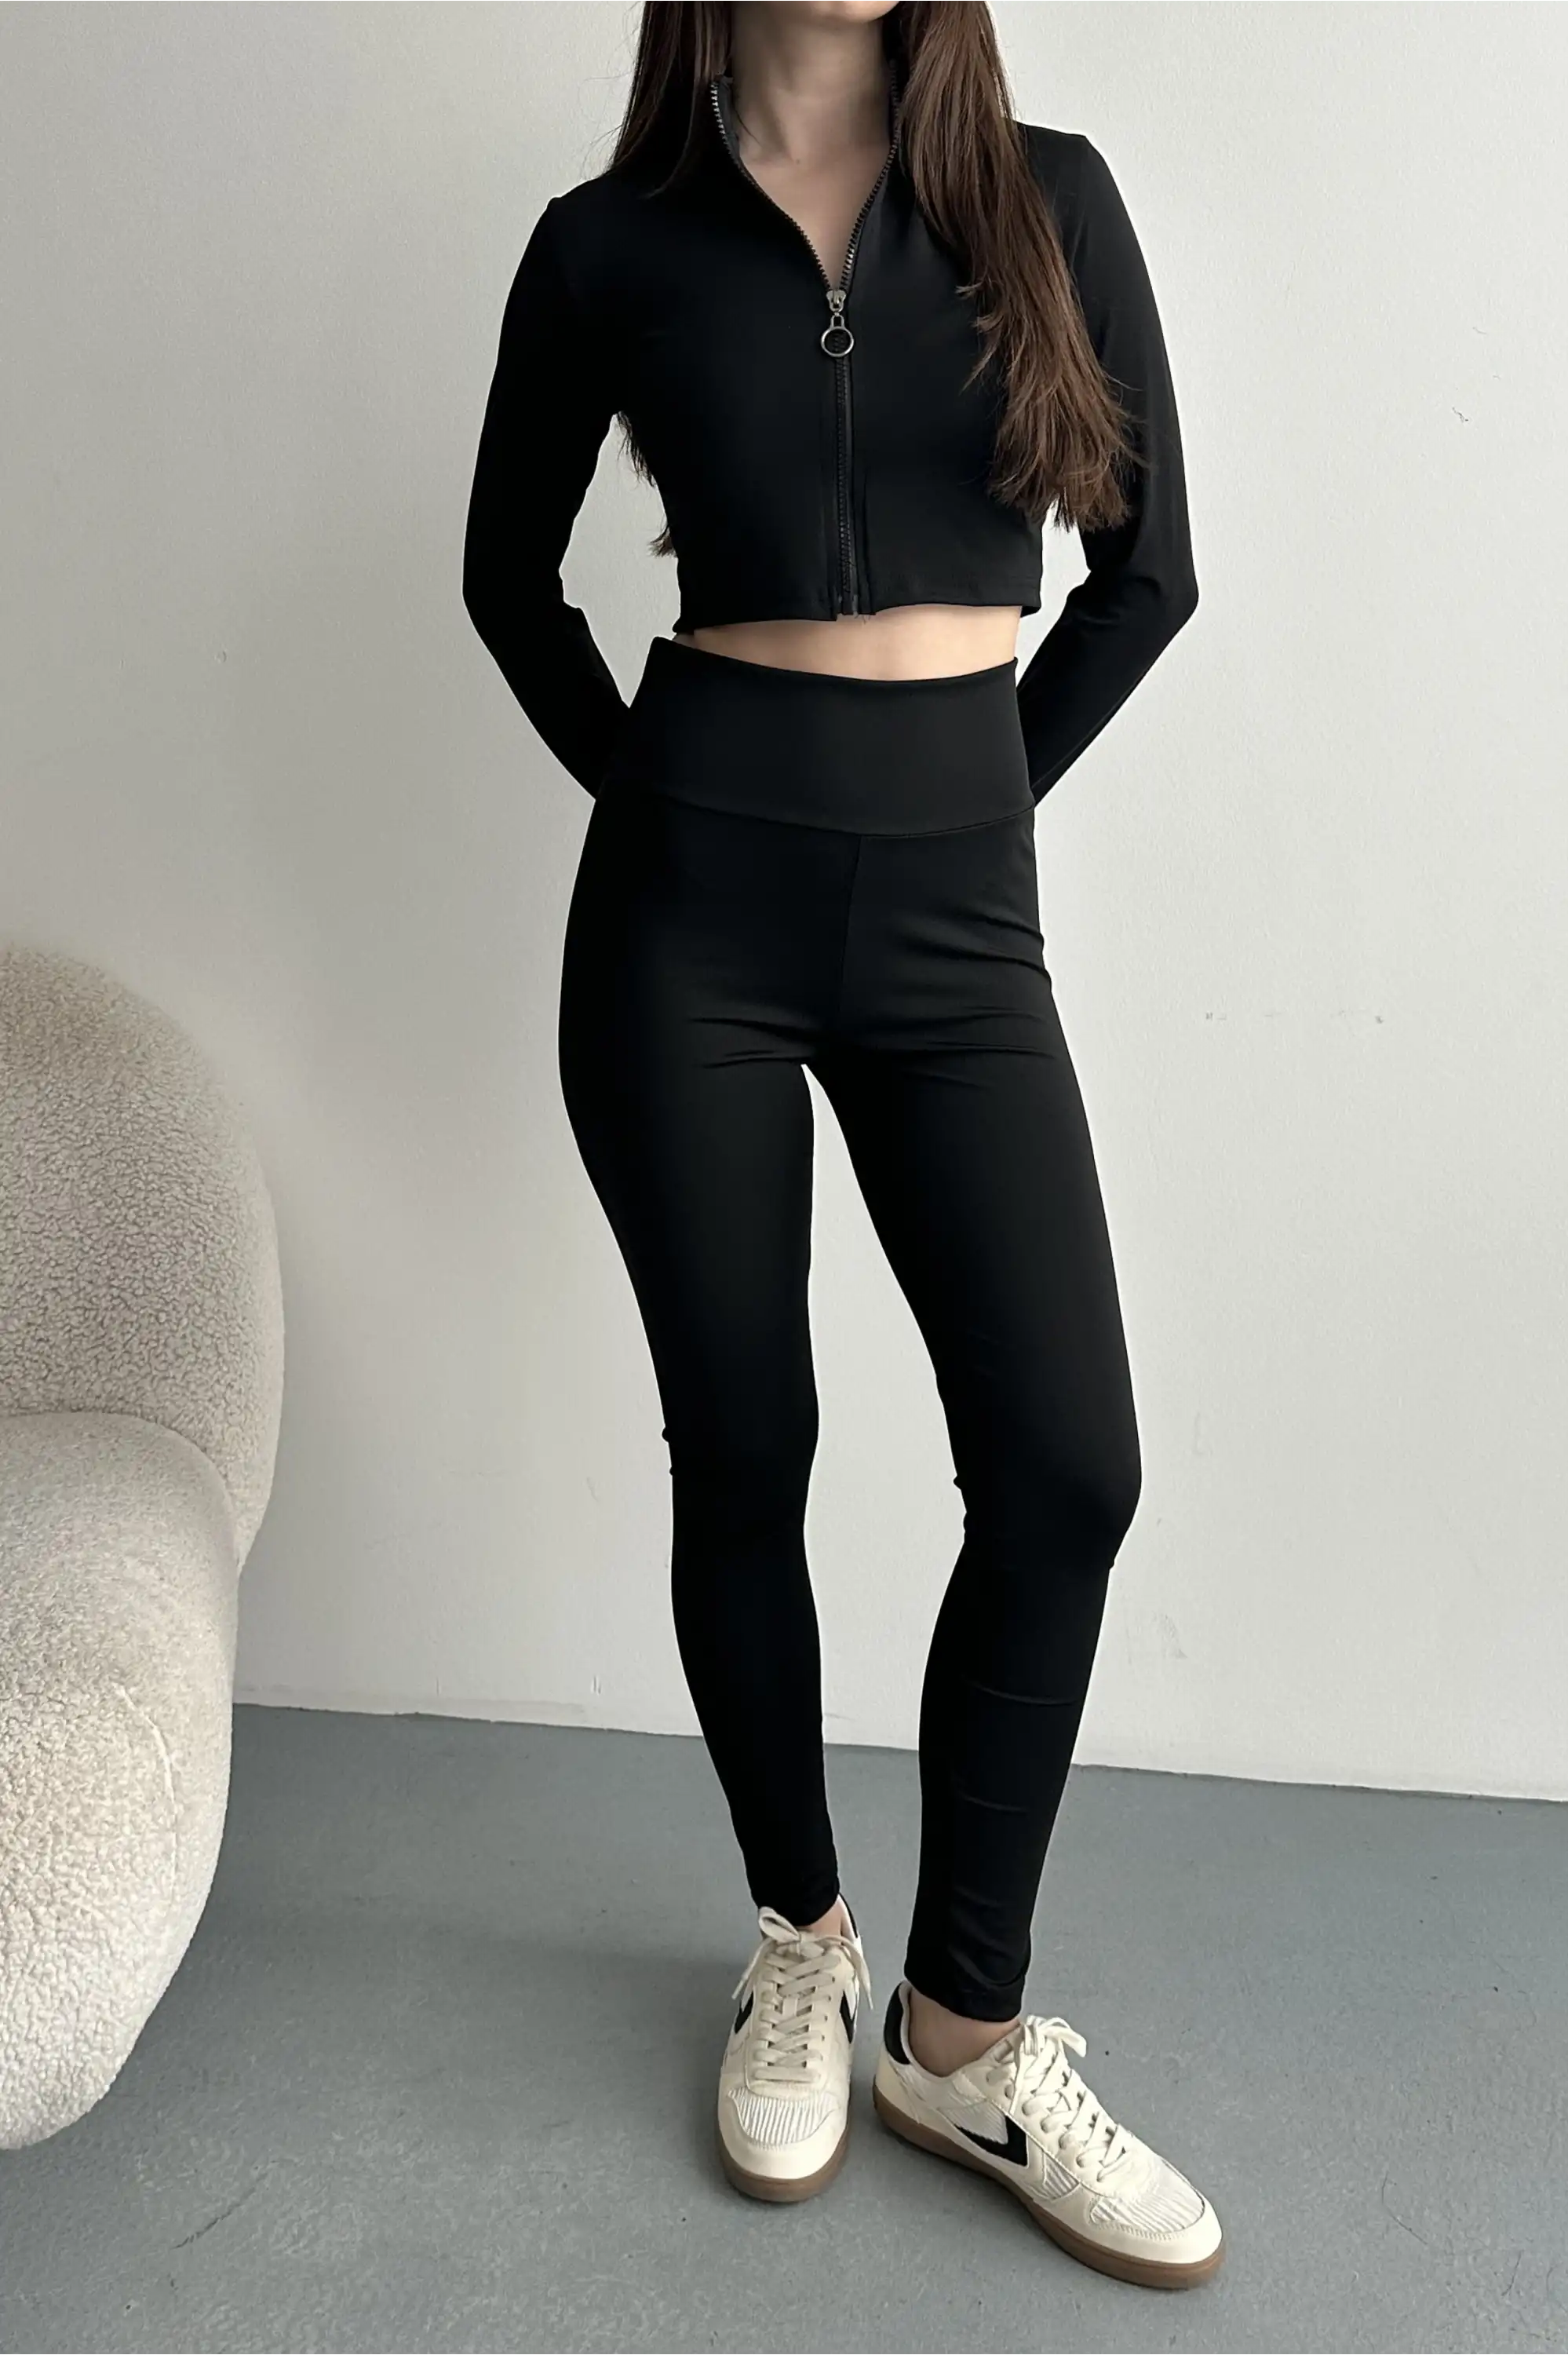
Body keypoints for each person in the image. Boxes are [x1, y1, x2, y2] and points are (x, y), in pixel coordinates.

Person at [462, 0, 1220, 2289]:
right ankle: (797, 1936)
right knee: (747, 1444)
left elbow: (1149, 573)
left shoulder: (1043, 197)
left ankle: (960, 2038)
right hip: (686, 926)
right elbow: (508, 578)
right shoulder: (610, 243)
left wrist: (959, 805)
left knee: (1067, 1462)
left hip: (957, 917)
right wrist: (672, 805)